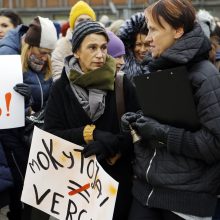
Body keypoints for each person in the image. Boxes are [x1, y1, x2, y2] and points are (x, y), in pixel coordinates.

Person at [121, 0, 220, 219]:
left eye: (154, 29)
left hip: (185, 203)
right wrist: (137, 123)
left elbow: (215, 145)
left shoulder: (206, 76)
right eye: (148, 29)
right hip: (144, 193)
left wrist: (161, 133)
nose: (147, 38)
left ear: (178, 30)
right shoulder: (153, 69)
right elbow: (164, 121)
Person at [44, 21, 139, 220]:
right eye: (92, 47)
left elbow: (138, 131)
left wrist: (115, 146)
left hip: (115, 187)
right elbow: (51, 135)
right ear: (77, 51)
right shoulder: (61, 88)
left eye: (104, 48)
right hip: (75, 190)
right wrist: (89, 133)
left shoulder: (122, 84)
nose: (100, 54)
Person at [0, 16, 57, 220]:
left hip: (34, 133)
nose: (45, 58)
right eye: (42, 52)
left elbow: (45, 98)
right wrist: (21, 102)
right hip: (13, 134)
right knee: (24, 183)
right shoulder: (7, 54)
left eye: (49, 54)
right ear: (28, 44)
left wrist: (32, 100)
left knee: (29, 184)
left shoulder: (42, 63)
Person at [51, 0, 96, 81]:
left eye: (88, 20)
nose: (85, 23)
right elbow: (57, 73)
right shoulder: (63, 44)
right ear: (73, 24)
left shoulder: (99, 43)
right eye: (80, 20)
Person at [118, 12, 149, 82]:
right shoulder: (121, 74)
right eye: (138, 44)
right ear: (131, 46)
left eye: (147, 45)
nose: (142, 50)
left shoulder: (162, 69)